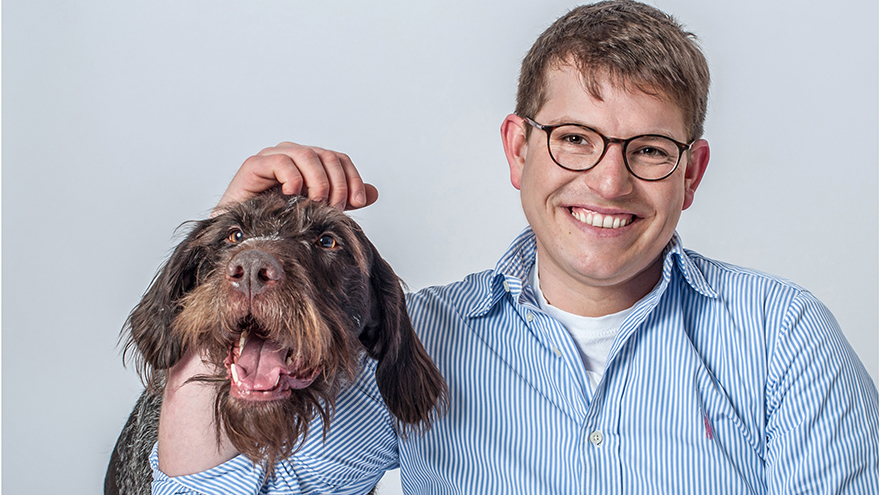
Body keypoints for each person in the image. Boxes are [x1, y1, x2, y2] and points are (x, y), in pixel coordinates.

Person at [152, 1, 878, 493]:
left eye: (650, 150)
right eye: (574, 140)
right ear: (517, 149)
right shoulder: (419, 341)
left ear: (690, 173)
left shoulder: (784, 339)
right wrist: (228, 247)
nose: (609, 181)